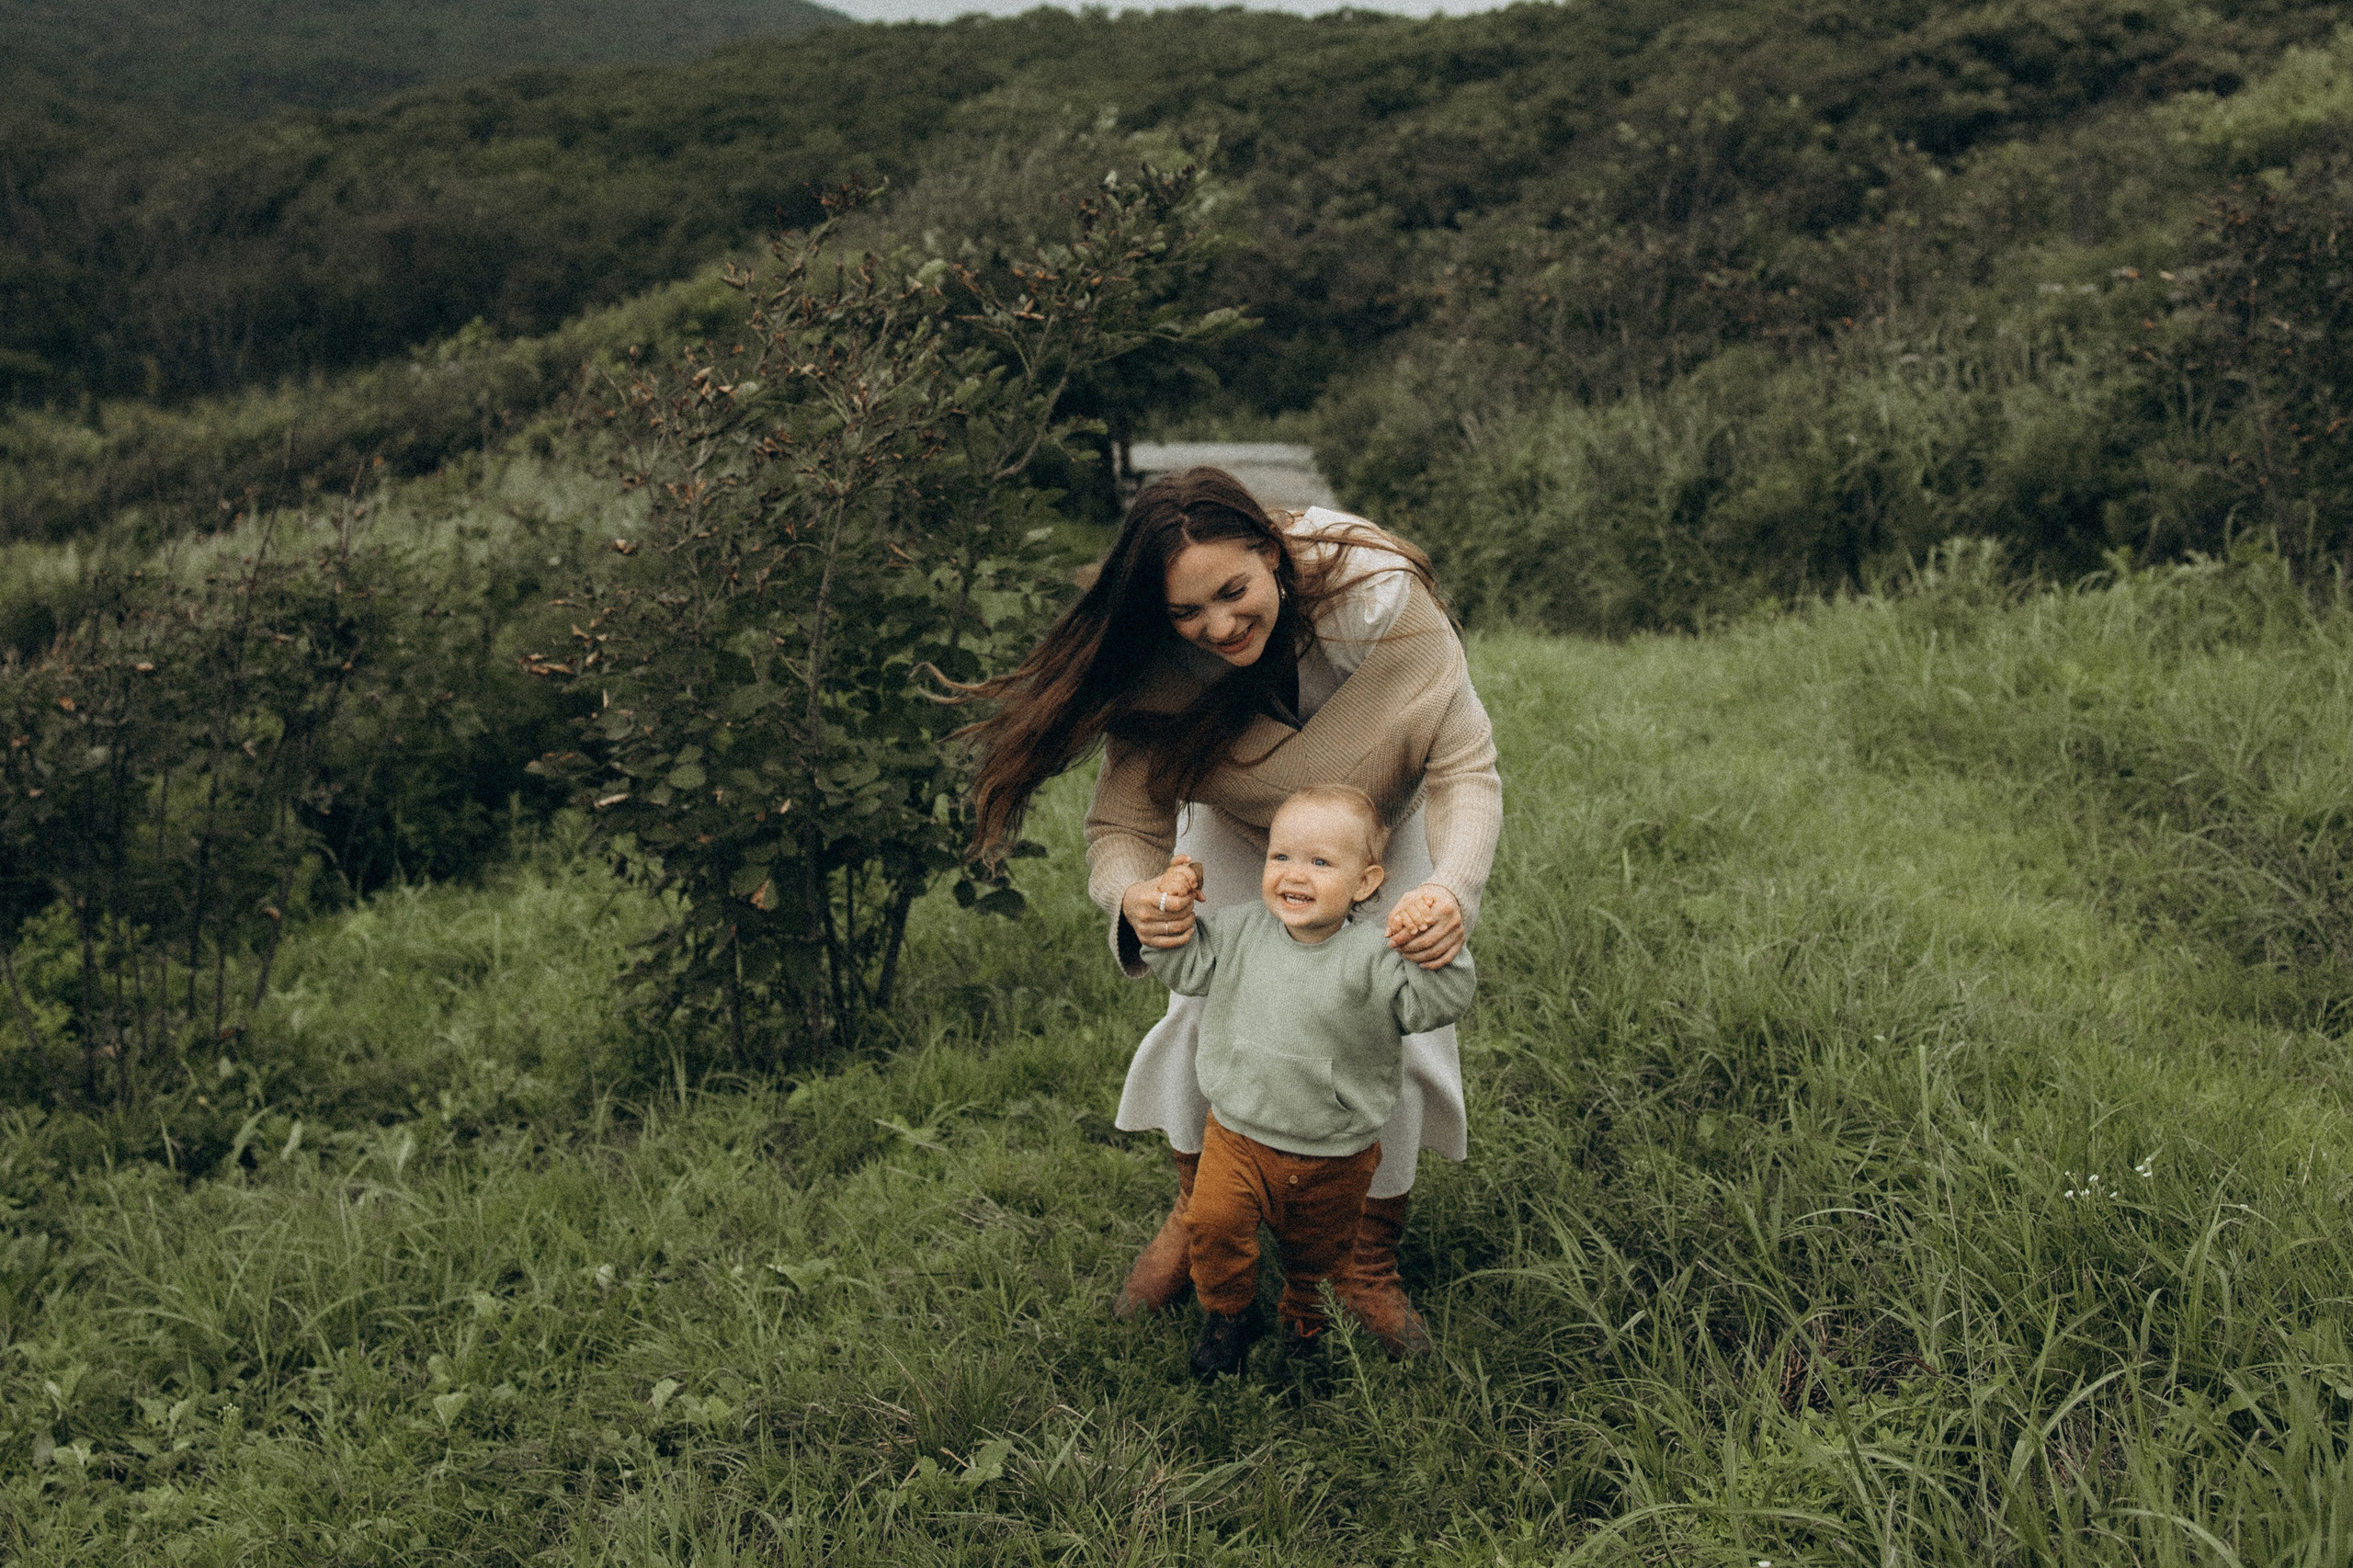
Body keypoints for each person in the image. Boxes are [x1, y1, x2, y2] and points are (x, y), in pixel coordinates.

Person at [961, 466, 1502, 1355]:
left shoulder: (1378, 596)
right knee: (1203, 1007)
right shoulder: (1158, 665)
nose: (1217, 626)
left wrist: (1451, 891)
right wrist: (1135, 896)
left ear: (1272, 550)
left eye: (1233, 591)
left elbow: (1462, 772)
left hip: (1383, 831)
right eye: (1187, 613)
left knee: (1395, 1026)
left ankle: (1366, 1258)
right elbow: (1123, 827)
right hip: (1248, 828)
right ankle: (1199, 1205)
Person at [1136, 785, 1474, 1376]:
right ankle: (1228, 1316)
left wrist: (1437, 945)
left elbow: (1435, 1005)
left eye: (1321, 862)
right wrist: (1172, 911)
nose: (1295, 874)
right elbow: (1184, 968)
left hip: (1334, 1151)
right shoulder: (1240, 932)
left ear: (1366, 883)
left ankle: (1305, 1325)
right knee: (1214, 1228)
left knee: (1318, 1258)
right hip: (1236, 1134)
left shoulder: (1377, 957)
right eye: (1281, 857)